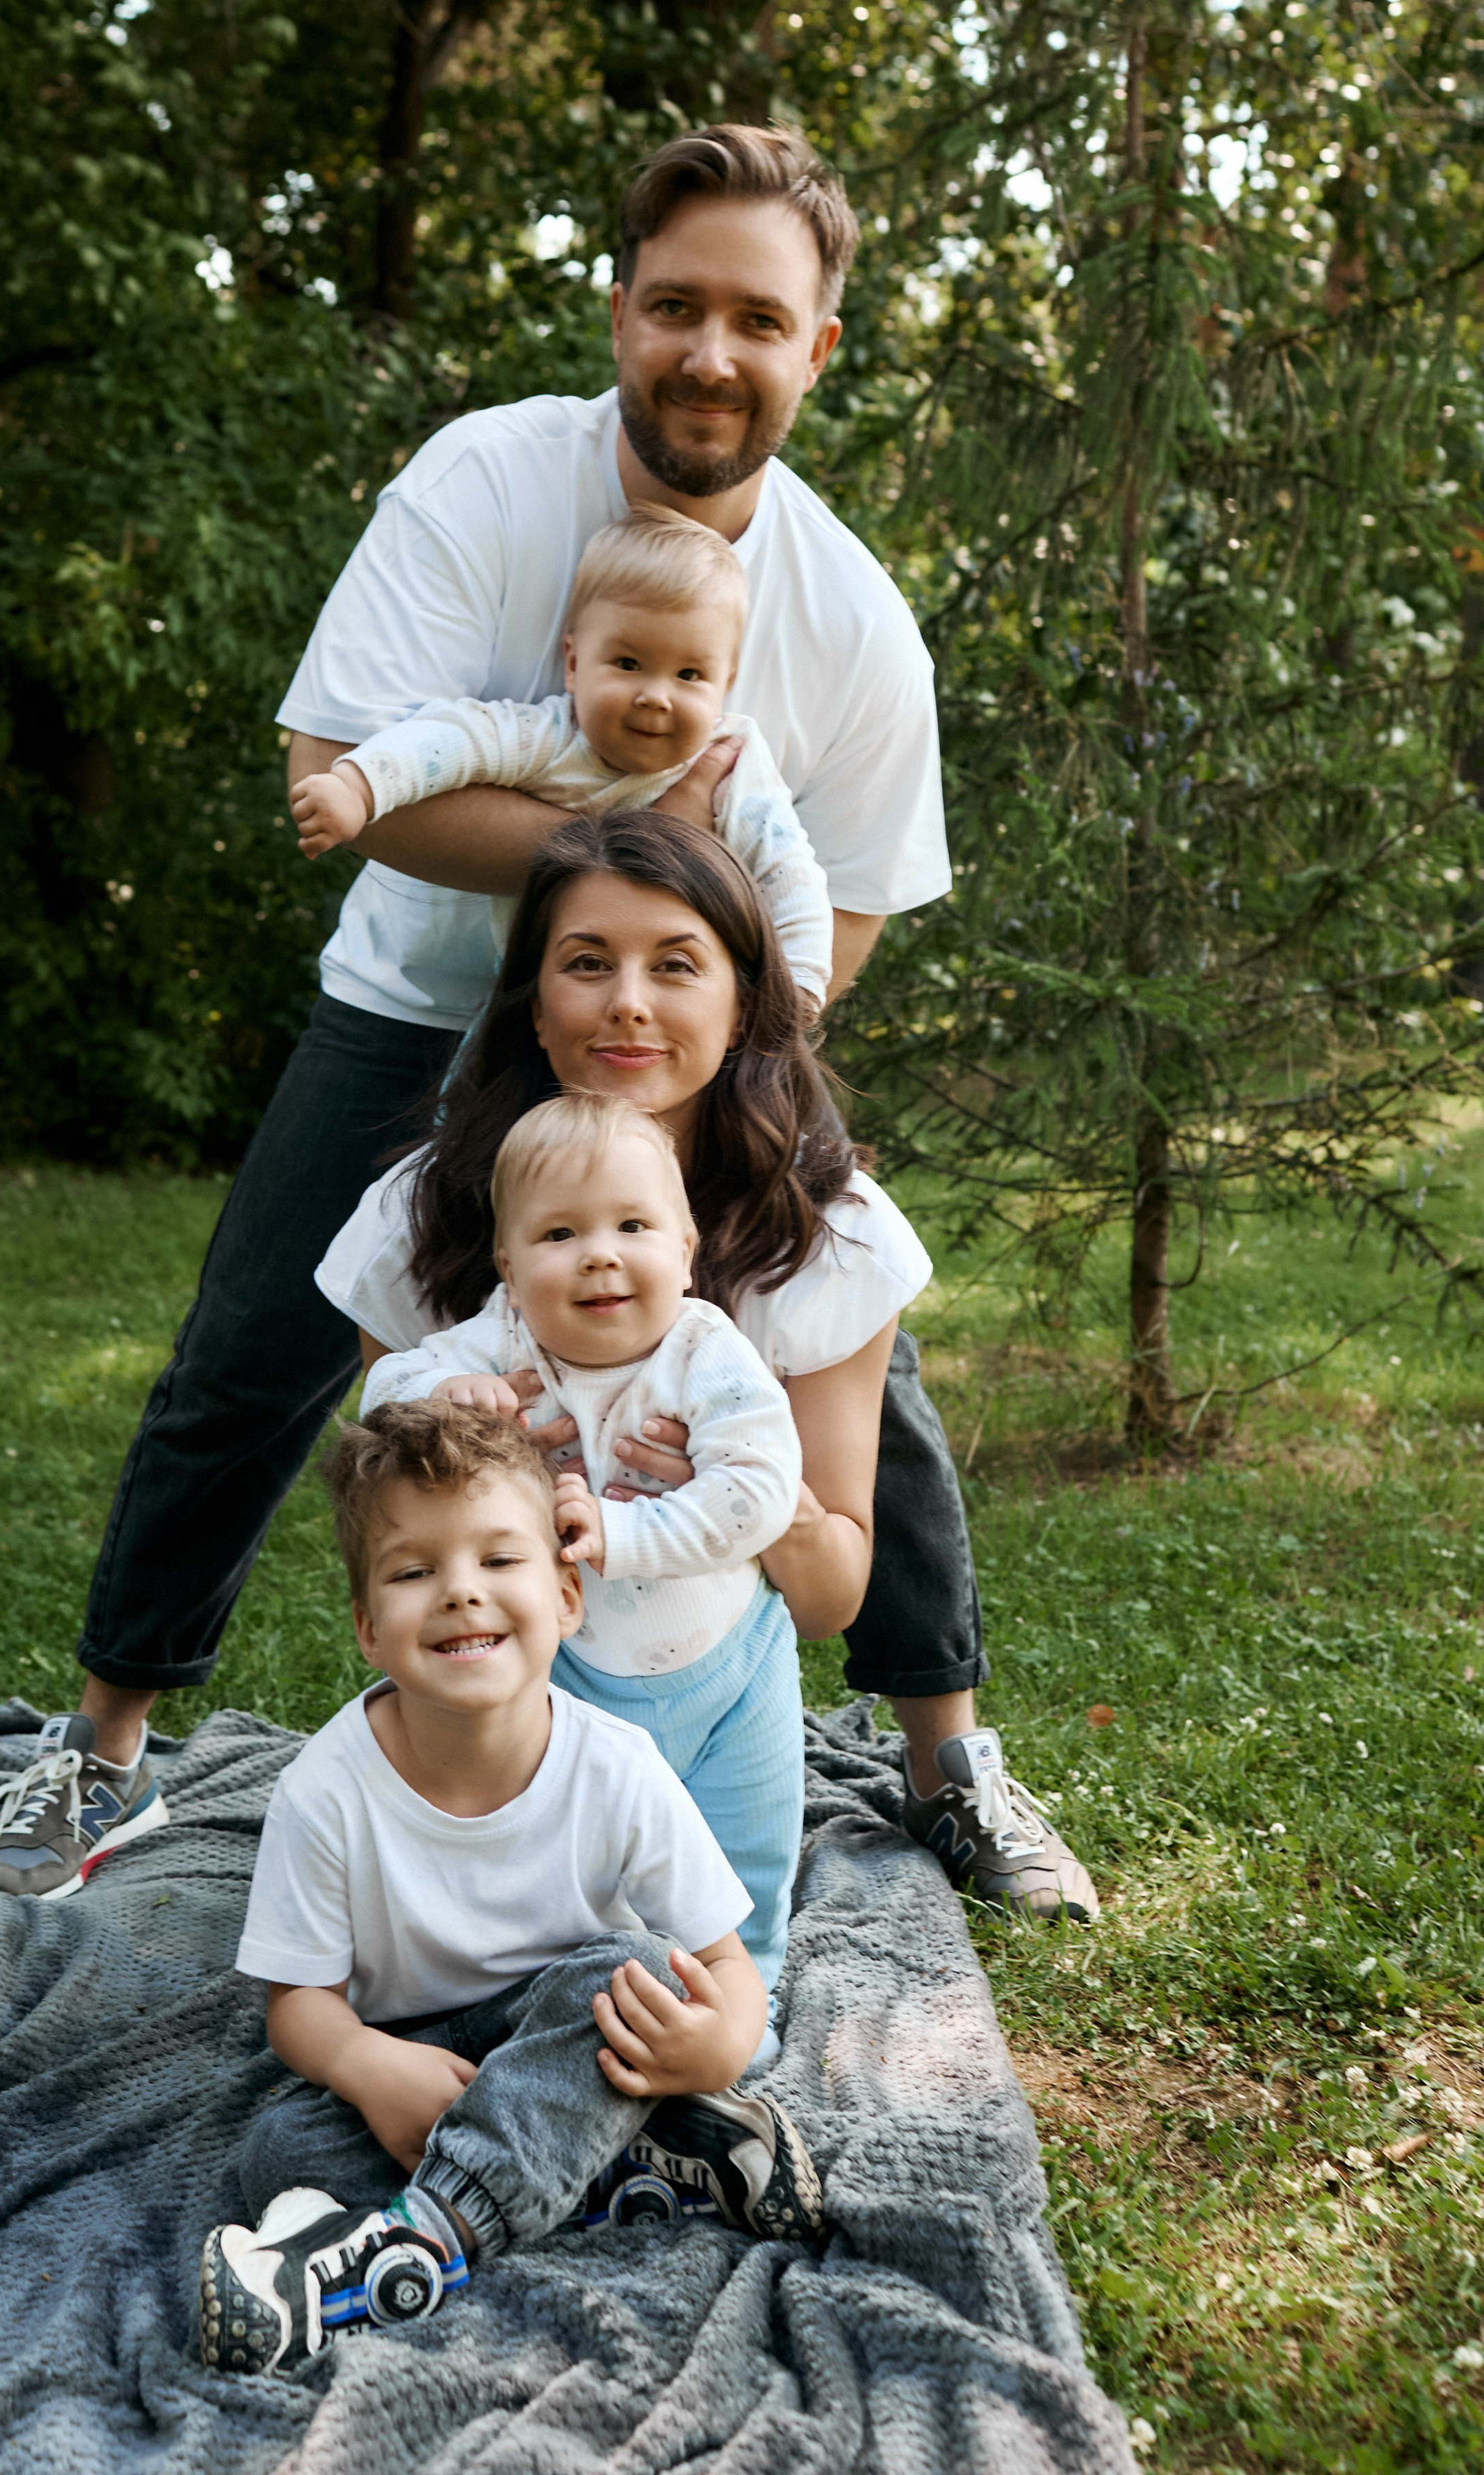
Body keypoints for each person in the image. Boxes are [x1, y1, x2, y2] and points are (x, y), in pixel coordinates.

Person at [0, 121, 1094, 1926]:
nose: (709, 351)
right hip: (419, 1013)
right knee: (254, 1352)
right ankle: (100, 1744)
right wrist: (640, 856)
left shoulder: (856, 620)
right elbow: (343, 765)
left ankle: (947, 1757)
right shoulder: (485, 483)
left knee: (846, 1350)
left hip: (707, 1044)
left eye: (757, 318)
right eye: (676, 305)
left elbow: (858, 904)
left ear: (817, 346)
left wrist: (729, 1053)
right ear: (621, 309)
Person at [323, 815, 1098, 1928]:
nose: (629, 1003)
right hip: (519, 1668)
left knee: (723, 1906)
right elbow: (389, 1529)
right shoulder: (424, 1215)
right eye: (587, 963)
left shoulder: (829, 1233)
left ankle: (951, 1770)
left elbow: (827, 1600)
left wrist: (737, 1491)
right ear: (533, 1005)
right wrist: (467, 1440)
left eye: (677, 965)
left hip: (719, 1645)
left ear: (743, 1004)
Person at [198, 1400, 823, 2379]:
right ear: (368, 1627)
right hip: (418, 2061)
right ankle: (633, 2167)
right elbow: (299, 2006)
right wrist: (367, 2065)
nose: (460, 1592)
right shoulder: (324, 1791)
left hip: (566, 2031)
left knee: (638, 1973)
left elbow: (722, 1965)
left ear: (567, 1597)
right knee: (280, 2147)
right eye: (414, 1572)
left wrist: (722, 2043)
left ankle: (425, 2238)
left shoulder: (616, 1767)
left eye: (498, 1559)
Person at [365, 1090, 807, 1987]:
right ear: (508, 1267)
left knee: (745, 1850)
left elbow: (759, 1491)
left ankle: (741, 1998)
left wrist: (625, 1531)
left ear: (685, 1249)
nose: (600, 1254)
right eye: (559, 1234)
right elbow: (381, 1399)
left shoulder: (706, 1352)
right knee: (564, 1836)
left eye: (633, 1225)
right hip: (564, 1668)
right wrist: (441, 1395)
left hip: (732, 1665)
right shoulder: (501, 1341)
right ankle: (556, 1977)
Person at [289, 503, 834, 1013]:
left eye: (689, 675)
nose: (656, 696)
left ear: (725, 685)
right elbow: (448, 743)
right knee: (484, 1077)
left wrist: (800, 983)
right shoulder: (549, 739)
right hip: (534, 1005)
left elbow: (788, 871)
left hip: (663, 1018)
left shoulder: (732, 766)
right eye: (628, 664)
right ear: (574, 664)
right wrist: (359, 787)